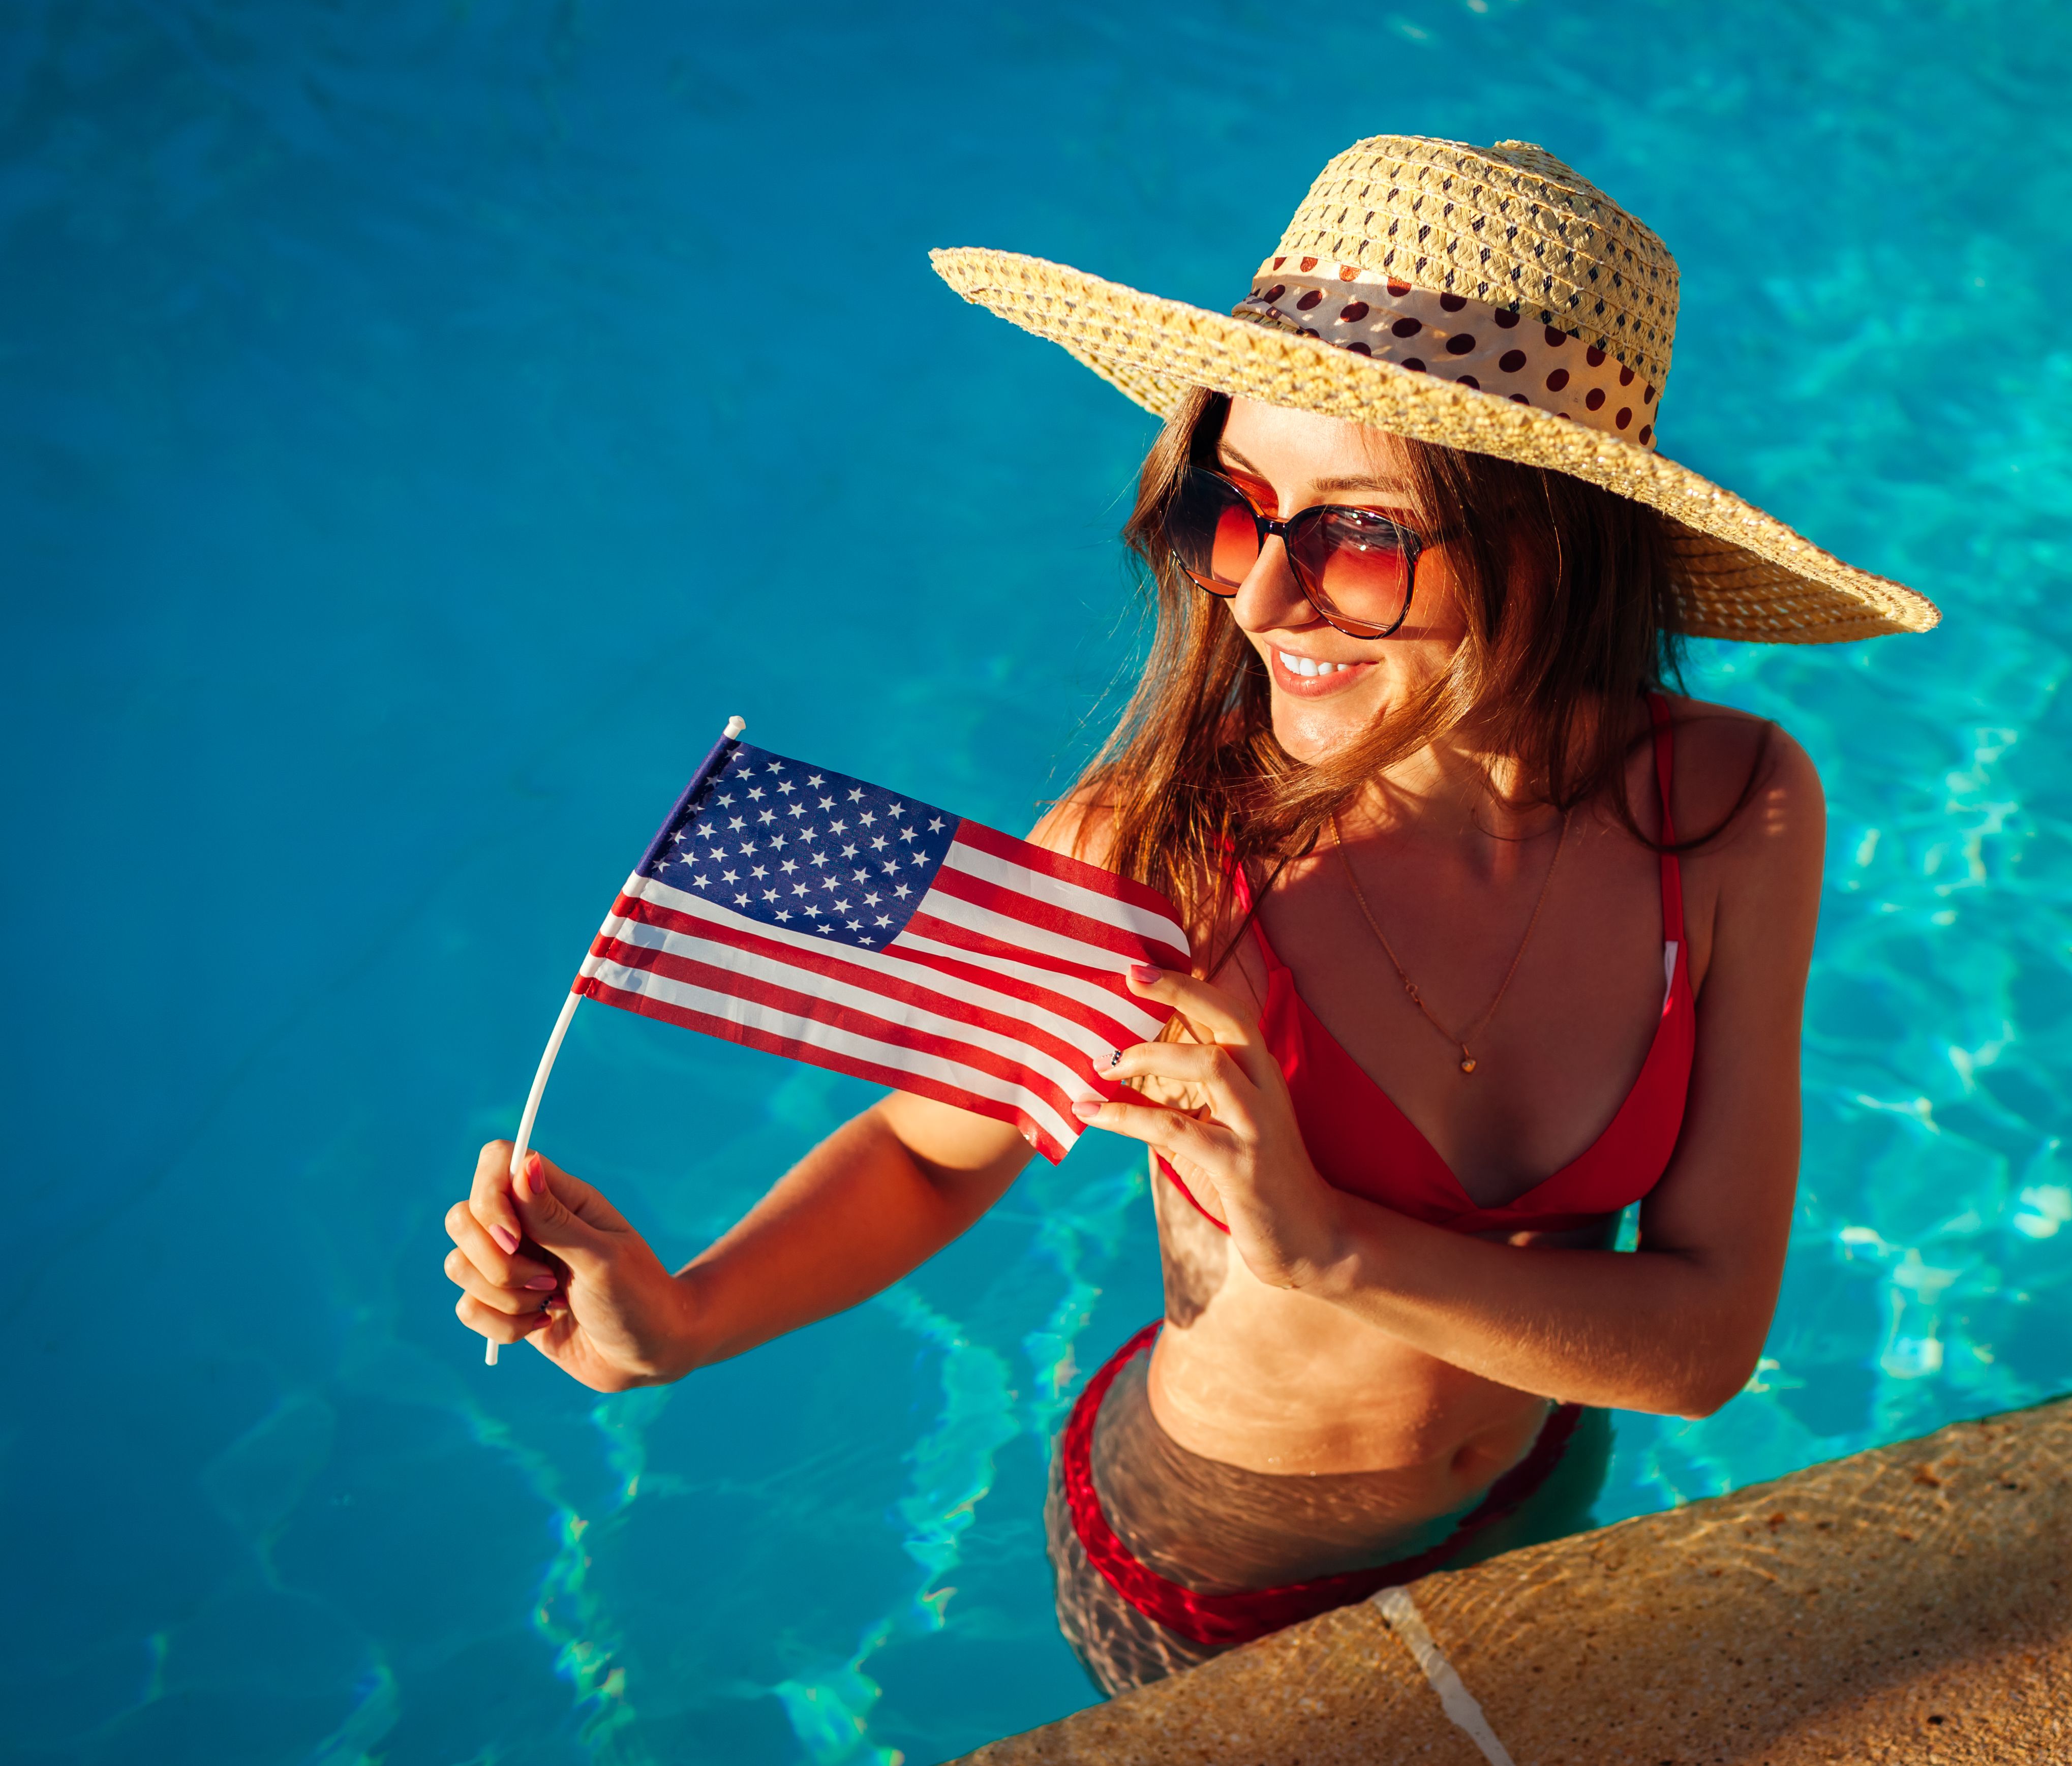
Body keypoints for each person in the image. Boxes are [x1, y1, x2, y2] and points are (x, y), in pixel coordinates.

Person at [441, 135, 1937, 1694]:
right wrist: (674, 1320)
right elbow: (924, 1147)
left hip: (1537, 1493)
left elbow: (1697, 1347)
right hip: (1215, 1575)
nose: (1265, 603)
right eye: (1237, 511)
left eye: (1359, 536)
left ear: (1557, 540)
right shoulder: (1158, 857)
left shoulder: (1734, 810)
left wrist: (1331, 1245)